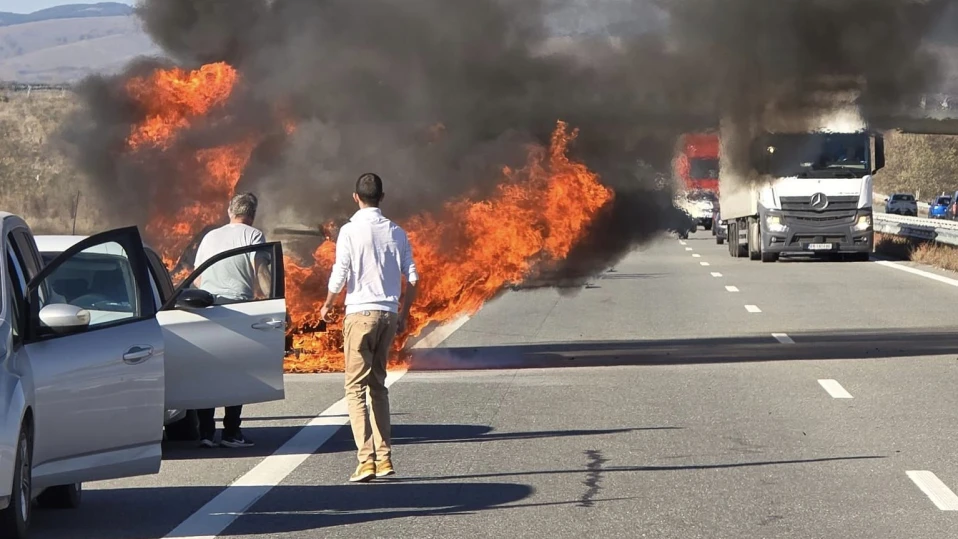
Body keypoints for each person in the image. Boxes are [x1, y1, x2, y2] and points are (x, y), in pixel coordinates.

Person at [320, 172, 419, 482]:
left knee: (354, 388)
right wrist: (405, 312)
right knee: (378, 385)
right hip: (388, 315)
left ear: (355, 197)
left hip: (360, 315)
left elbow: (340, 273)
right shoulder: (397, 232)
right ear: (382, 197)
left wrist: (327, 304)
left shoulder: (349, 232)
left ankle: (366, 461)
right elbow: (413, 277)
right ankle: (385, 458)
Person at [193, 191, 272, 449]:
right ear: (252, 215)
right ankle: (231, 432)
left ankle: (205, 432)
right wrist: (273, 301)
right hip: (237, 309)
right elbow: (261, 270)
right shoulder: (253, 235)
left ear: (230, 211)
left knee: (208, 372)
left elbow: (197, 279)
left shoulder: (209, 236)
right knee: (236, 372)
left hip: (207, 306)